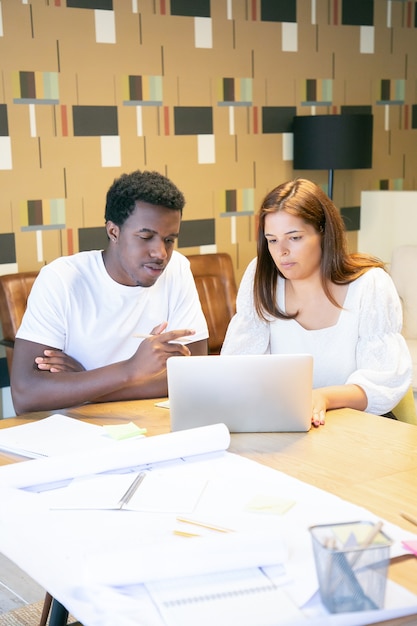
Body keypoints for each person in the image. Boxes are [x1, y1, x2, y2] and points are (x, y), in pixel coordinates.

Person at [11, 170, 209, 414]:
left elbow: (195, 374)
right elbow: (25, 394)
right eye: (146, 237)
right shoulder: (61, 279)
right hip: (74, 431)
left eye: (169, 240)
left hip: (147, 425)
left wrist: (87, 381)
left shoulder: (177, 268)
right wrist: (131, 370)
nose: (161, 253)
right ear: (113, 231)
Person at [221, 178, 412, 427]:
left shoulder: (369, 285)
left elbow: (383, 384)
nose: (281, 252)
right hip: (289, 423)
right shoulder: (262, 277)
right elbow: (239, 368)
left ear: (323, 232)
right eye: (272, 240)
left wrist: (322, 397)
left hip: (360, 425)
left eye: (295, 237)